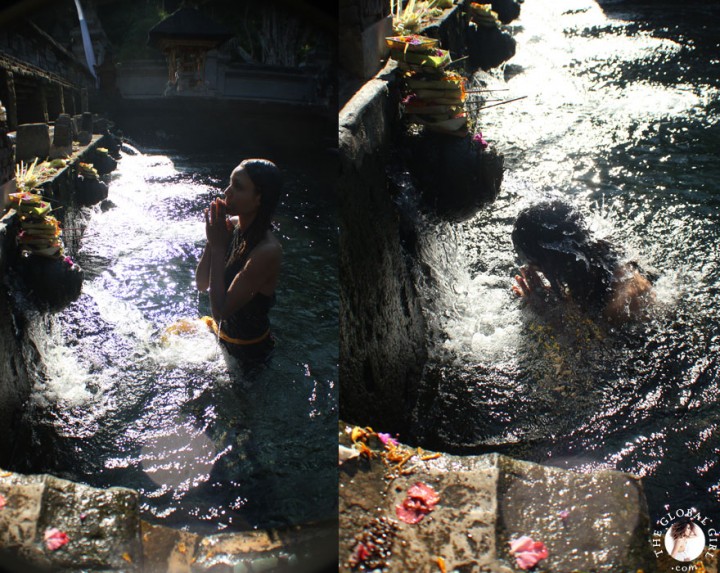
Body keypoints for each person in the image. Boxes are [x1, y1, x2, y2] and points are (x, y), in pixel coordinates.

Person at [511, 199, 654, 325]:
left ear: (553, 259)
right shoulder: (598, 255)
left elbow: (592, 351)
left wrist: (547, 316)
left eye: (533, 262)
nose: (530, 267)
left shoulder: (621, 302)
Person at [195, 158, 283, 362]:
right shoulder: (232, 225)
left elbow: (221, 312)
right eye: (230, 183)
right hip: (220, 336)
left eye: (238, 187)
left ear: (259, 198)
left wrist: (218, 248)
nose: (227, 192)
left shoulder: (268, 250)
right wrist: (212, 240)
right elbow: (201, 284)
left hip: (249, 355)